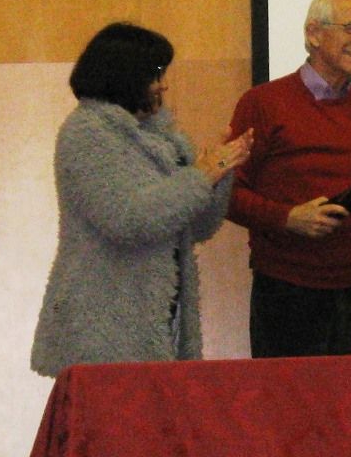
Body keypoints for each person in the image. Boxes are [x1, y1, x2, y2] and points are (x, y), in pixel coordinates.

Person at [30, 22, 253, 377]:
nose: (163, 84)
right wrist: (203, 174)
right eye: (156, 73)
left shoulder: (165, 139)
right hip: (104, 334)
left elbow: (197, 227)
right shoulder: (87, 133)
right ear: (125, 74)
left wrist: (221, 172)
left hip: (160, 325)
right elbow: (130, 219)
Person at [227, 0, 351, 357]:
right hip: (287, 289)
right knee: (290, 410)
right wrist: (288, 218)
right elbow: (226, 194)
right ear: (313, 33)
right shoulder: (263, 103)